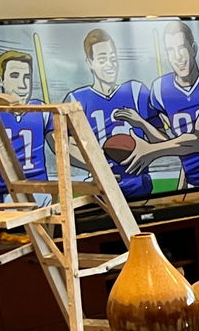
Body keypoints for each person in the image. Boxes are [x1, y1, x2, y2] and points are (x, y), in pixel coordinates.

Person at [124, 21, 199, 189]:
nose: (177, 56)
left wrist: (149, 151)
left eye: (182, 47)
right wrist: (142, 124)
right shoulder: (160, 89)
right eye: (171, 50)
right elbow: (170, 143)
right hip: (192, 183)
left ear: (193, 48)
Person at [64, 27, 163, 202]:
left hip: (140, 185)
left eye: (113, 58)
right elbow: (66, 146)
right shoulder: (77, 99)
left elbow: (163, 141)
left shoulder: (136, 91)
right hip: (102, 191)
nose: (110, 64)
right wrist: (98, 166)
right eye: (103, 59)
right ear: (90, 63)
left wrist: (141, 123)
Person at [0, 50, 50, 202]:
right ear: (0, 79)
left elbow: (65, 150)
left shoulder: (42, 110)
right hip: (10, 194)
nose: (23, 84)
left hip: (43, 191)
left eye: (27, 77)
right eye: (15, 76)